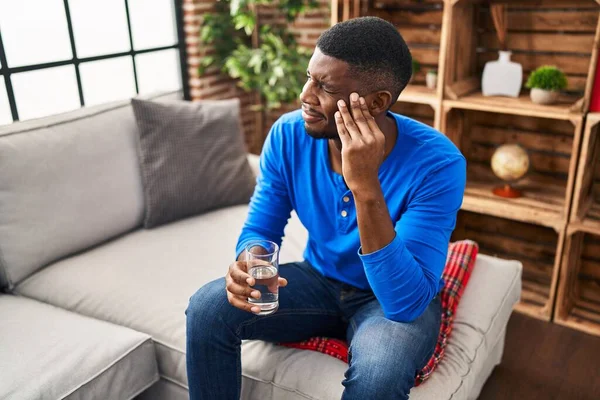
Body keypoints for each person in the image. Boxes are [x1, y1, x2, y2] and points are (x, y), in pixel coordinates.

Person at [186, 16, 466, 400]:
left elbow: (404, 303)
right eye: (309, 77)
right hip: (318, 282)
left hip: (386, 298)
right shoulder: (288, 134)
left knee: (380, 374)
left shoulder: (438, 164)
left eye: (325, 86)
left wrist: (365, 184)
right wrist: (250, 262)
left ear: (377, 102)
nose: (305, 94)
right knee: (207, 309)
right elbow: (262, 226)